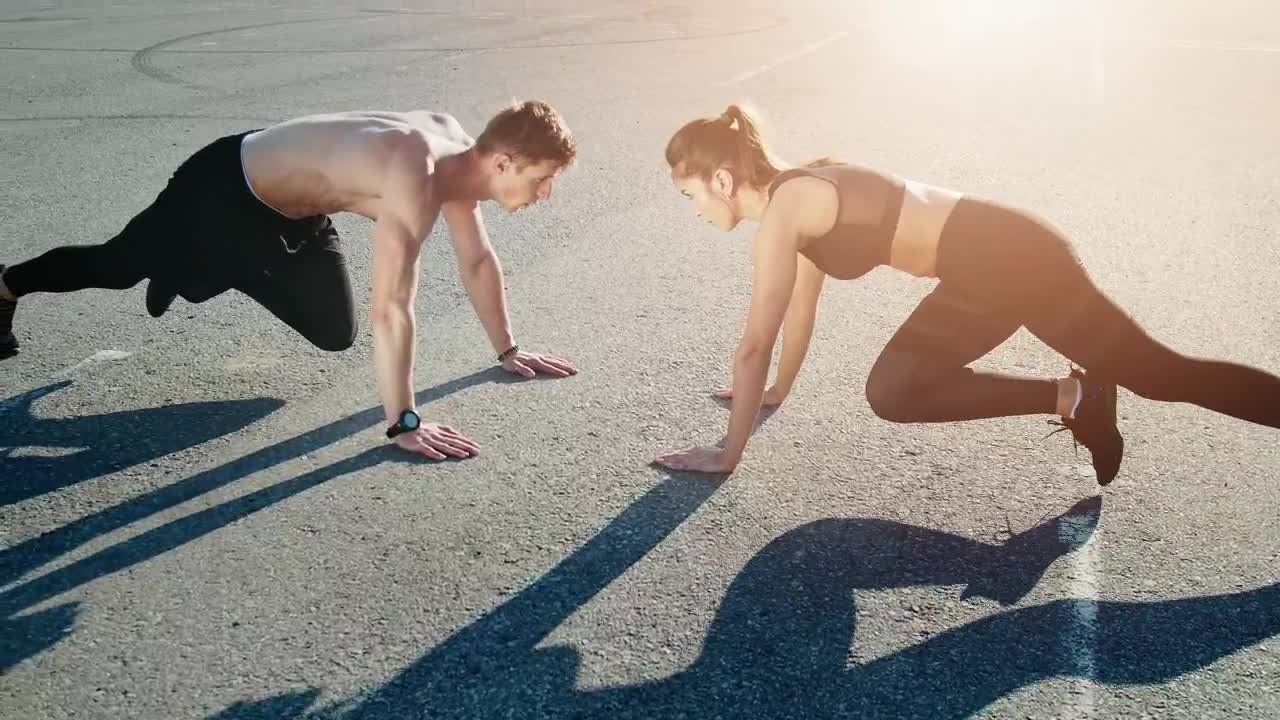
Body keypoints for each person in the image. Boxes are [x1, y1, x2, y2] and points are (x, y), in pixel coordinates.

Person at [653, 104, 1280, 484]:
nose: (693, 210)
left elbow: (754, 341)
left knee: (1160, 373)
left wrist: (727, 453)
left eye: (690, 196)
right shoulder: (794, 201)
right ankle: (1077, 396)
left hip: (1017, 258)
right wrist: (776, 394)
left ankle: (1096, 389)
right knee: (893, 388)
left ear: (723, 178)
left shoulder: (790, 205)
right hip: (978, 276)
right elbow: (798, 312)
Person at [0, 102, 579, 460]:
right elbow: (393, 308)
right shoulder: (418, 171)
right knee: (116, 266)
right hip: (225, 187)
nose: (545, 193)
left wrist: (508, 348)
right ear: (503, 162)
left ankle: (198, 268)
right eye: (543, 178)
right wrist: (404, 420)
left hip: (296, 215)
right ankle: (7, 285)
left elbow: (476, 260)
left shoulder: (461, 158)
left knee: (334, 330)